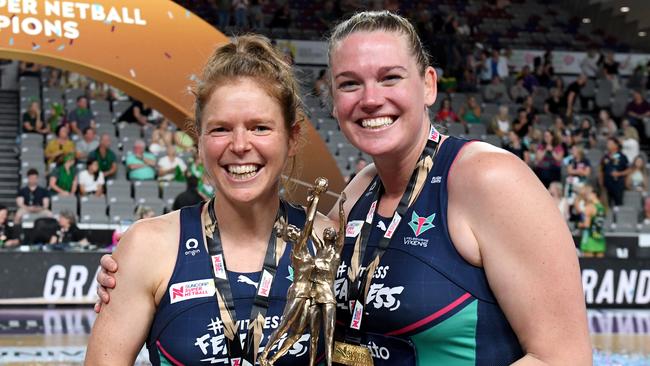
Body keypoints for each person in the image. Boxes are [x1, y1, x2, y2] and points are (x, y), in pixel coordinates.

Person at [95, 12, 591, 365]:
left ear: (430, 85)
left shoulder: (489, 179)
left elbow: (564, 356)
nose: (371, 98)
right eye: (350, 83)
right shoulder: (351, 204)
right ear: (333, 100)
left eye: (390, 77)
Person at [86, 35, 330, 365]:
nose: (240, 144)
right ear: (199, 142)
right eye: (220, 129)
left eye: (259, 127)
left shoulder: (328, 243)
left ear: (293, 138)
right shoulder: (148, 248)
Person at [576, 184, 606, 258]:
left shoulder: (589, 207)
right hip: (599, 236)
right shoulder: (602, 207)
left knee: (589, 264)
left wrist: (579, 224)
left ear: (594, 194)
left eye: (588, 194)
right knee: (600, 265)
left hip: (589, 237)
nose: (587, 196)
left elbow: (586, 225)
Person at [599, 137, 629, 207]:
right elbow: (601, 170)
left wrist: (619, 174)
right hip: (607, 184)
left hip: (617, 184)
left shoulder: (622, 156)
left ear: (616, 145)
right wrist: (601, 182)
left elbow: (628, 170)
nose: (608, 145)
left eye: (610, 143)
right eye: (607, 143)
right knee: (607, 204)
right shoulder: (605, 157)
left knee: (618, 204)